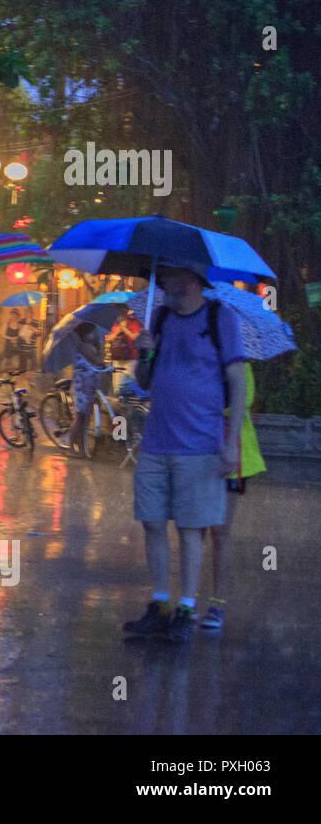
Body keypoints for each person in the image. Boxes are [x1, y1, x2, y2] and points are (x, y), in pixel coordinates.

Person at [125, 262, 247, 643]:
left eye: (170, 277)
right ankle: (160, 604)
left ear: (192, 278)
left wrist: (231, 444)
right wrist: (142, 355)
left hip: (201, 445)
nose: (162, 283)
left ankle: (187, 609)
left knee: (192, 529)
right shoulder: (159, 318)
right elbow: (144, 382)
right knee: (152, 521)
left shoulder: (218, 317)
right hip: (157, 441)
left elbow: (238, 381)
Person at [200, 362, 266, 632]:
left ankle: (217, 603)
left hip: (233, 454)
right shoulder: (202, 359)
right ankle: (187, 601)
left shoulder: (241, 366)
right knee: (194, 528)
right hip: (199, 452)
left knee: (221, 532)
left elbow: (241, 402)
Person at [69, 324, 108, 458]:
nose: (95, 334)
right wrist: (100, 347)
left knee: (86, 419)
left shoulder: (89, 346)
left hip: (90, 385)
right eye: (92, 332)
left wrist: (98, 347)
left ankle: (82, 448)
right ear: (85, 334)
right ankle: (72, 446)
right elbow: (97, 361)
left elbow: (98, 361)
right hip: (82, 387)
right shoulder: (82, 346)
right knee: (81, 418)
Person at [1, 309, 23, 374]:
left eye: (15, 315)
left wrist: (17, 338)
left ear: (17, 316)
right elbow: (3, 335)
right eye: (13, 314)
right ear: (11, 315)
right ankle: (6, 377)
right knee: (5, 364)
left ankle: (11, 376)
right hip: (8, 346)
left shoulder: (19, 325)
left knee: (15, 365)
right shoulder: (7, 324)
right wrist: (11, 338)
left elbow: (20, 336)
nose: (14, 316)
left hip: (15, 347)